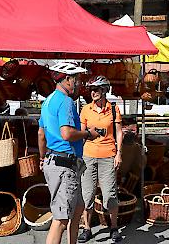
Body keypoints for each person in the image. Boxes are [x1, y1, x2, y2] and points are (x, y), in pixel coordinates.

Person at [38, 61, 89, 244]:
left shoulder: (48, 101)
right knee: (60, 219)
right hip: (64, 164)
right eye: (77, 79)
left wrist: (42, 158)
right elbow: (66, 133)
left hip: (56, 162)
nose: (79, 83)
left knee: (77, 208)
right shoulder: (66, 101)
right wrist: (87, 133)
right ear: (68, 79)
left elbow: (41, 133)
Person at [78, 76, 124, 243]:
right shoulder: (85, 109)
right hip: (88, 156)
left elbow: (119, 132)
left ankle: (113, 227)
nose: (93, 92)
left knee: (110, 194)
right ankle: (87, 228)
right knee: (87, 194)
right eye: (91, 90)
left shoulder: (113, 109)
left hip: (108, 156)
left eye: (96, 89)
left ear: (104, 90)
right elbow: (81, 134)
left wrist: (119, 153)